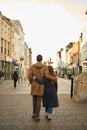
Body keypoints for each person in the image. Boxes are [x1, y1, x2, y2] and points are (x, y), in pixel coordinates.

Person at [28, 54, 57, 121]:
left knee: (34, 100)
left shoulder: (32, 67)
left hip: (34, 85)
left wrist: (31, 81)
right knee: (38, 101)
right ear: (41, 59)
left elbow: (29, 75)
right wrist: (54, 78)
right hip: (41, 86)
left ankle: (34, 113)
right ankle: (37, 116)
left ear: (36, 59)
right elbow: (47, 76)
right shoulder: (45, 67)